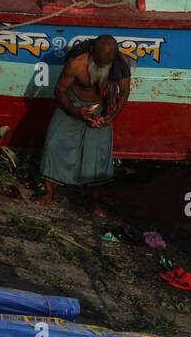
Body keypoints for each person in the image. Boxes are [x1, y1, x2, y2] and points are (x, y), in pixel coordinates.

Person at [37, 35, 132, 215]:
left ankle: (93, 203)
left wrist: (112, 116)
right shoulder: (77, 63)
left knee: (99, 155)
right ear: (92, 54)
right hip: (72, 104)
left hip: (101, 109)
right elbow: (60, 89)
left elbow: (124, 93)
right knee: (53, 144)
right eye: (100, 62)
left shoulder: (120, 65)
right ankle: (48, 193)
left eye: (107, 63)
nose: (104, 67)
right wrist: (75, 111)